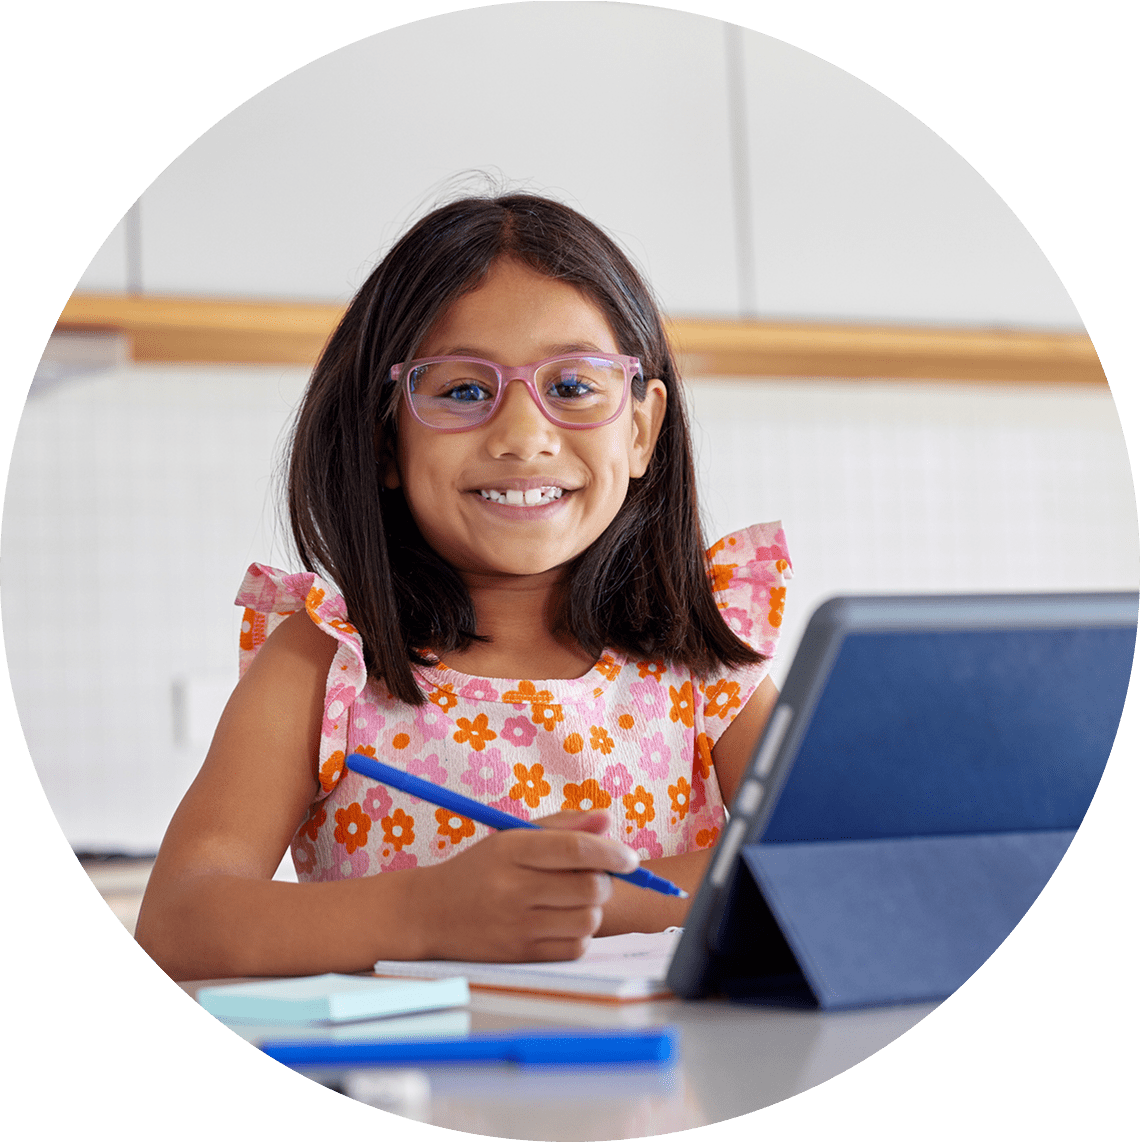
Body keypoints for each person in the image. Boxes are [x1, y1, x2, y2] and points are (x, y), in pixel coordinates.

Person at [135, 193, 792, 980]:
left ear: (643, 430)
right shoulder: (325, 662)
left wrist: (575, 903)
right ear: (386, 440)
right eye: (462, 391)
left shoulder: (707, 665)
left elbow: (802, 866)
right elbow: (179, 923)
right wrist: (430, 914)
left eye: (574, 386)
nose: (522, 436)